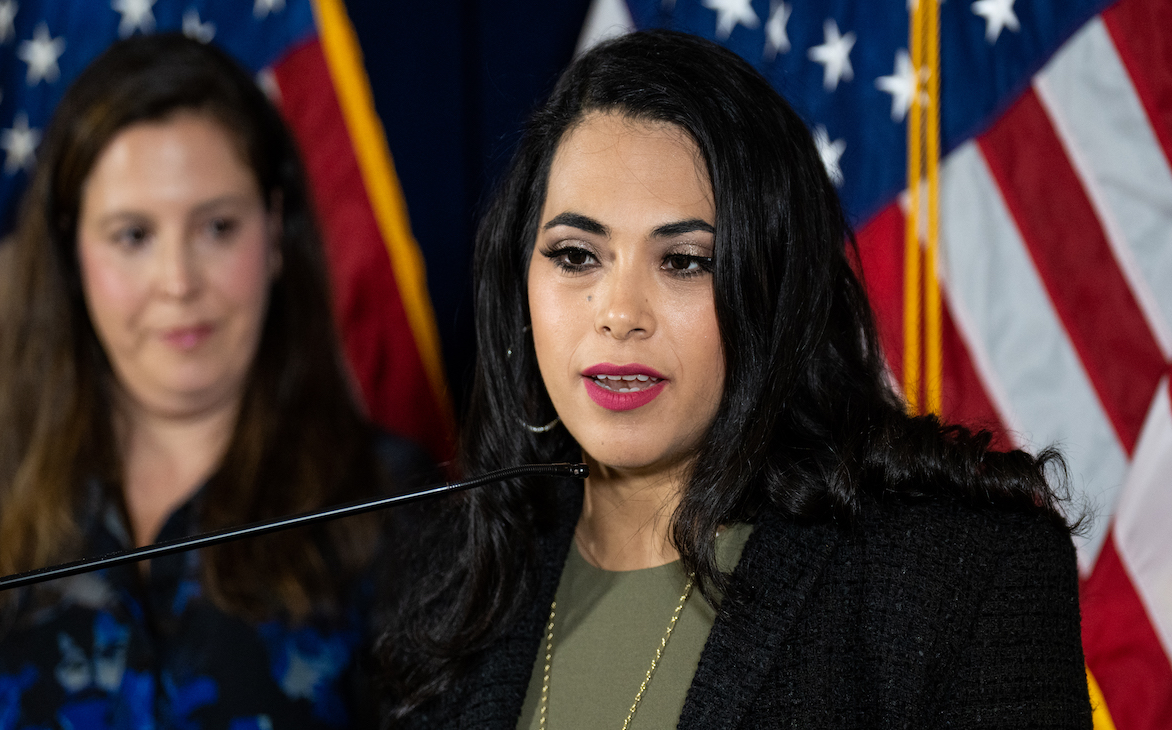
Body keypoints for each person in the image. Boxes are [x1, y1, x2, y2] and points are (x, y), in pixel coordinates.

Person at [378, 29, 1090, 729]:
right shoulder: (450, 585)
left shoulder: (961, 572)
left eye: (685, 261)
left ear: (776, 292)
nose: (619, 314)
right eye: (575, 256)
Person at [0, 34, 398, 728]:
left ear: (273, 232)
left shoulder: (399, 520)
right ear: (71, 251)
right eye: (133, 236)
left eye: (217, 227)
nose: (178, 282)